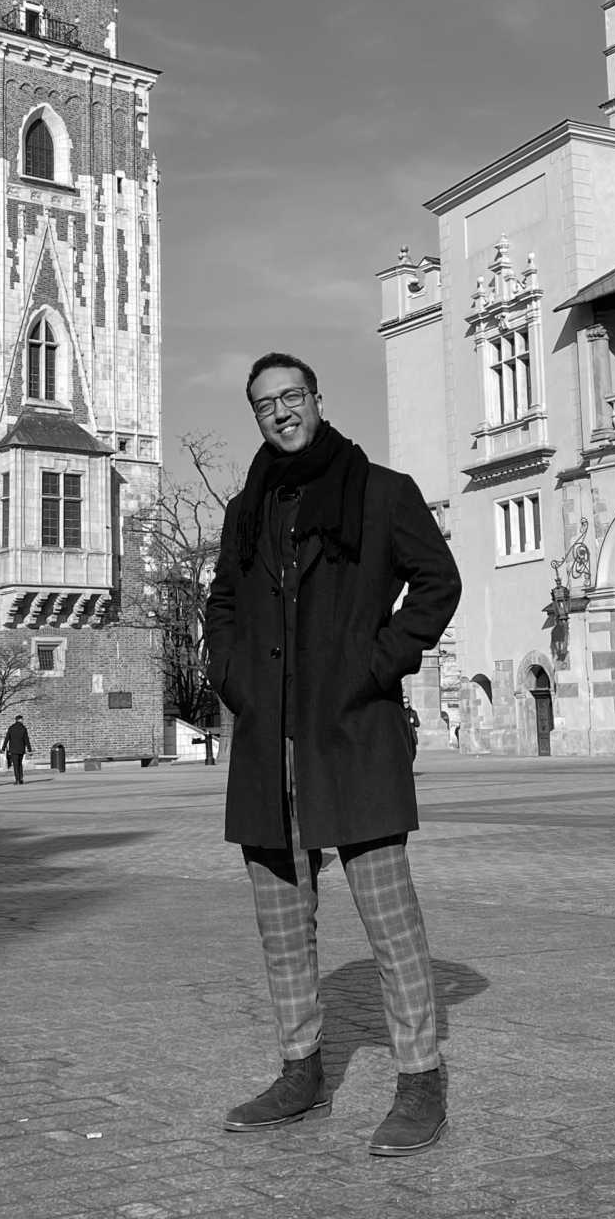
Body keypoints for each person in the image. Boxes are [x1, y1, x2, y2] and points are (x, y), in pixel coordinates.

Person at [205, 352, 461, 1157]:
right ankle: (301, 1073)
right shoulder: (247, 508)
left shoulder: (381, 492)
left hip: (351, 734)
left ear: (316, 399)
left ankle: (420, 1081)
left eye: (292, 396)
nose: (281, 412)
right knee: (282, 925)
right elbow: (222, 601)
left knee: (390, 921)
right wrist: (230, 676)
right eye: (264, 404)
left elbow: (438, 582)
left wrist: (375, 665)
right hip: (267, 742)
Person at [1, 715, 32, 784]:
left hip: (13, 749)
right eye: (22, 719)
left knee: (15, 765)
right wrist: (29, 749)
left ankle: (17, 779)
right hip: (21, 749)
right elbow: (26, 740)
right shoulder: (23, 728)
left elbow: (7, 739)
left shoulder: (11, 728)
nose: (23, 721)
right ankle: (21, 779)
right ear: (20, 720)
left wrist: (3, 748)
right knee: (20, 764)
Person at [404, 694, 421, 761]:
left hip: (411, 736)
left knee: (413, 753)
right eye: (404, 702)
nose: (406, 704)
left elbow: (418, 724)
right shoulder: (400, 712)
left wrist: (413, 721)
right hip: (403, 736)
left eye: (407, 702)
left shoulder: (413, 712)